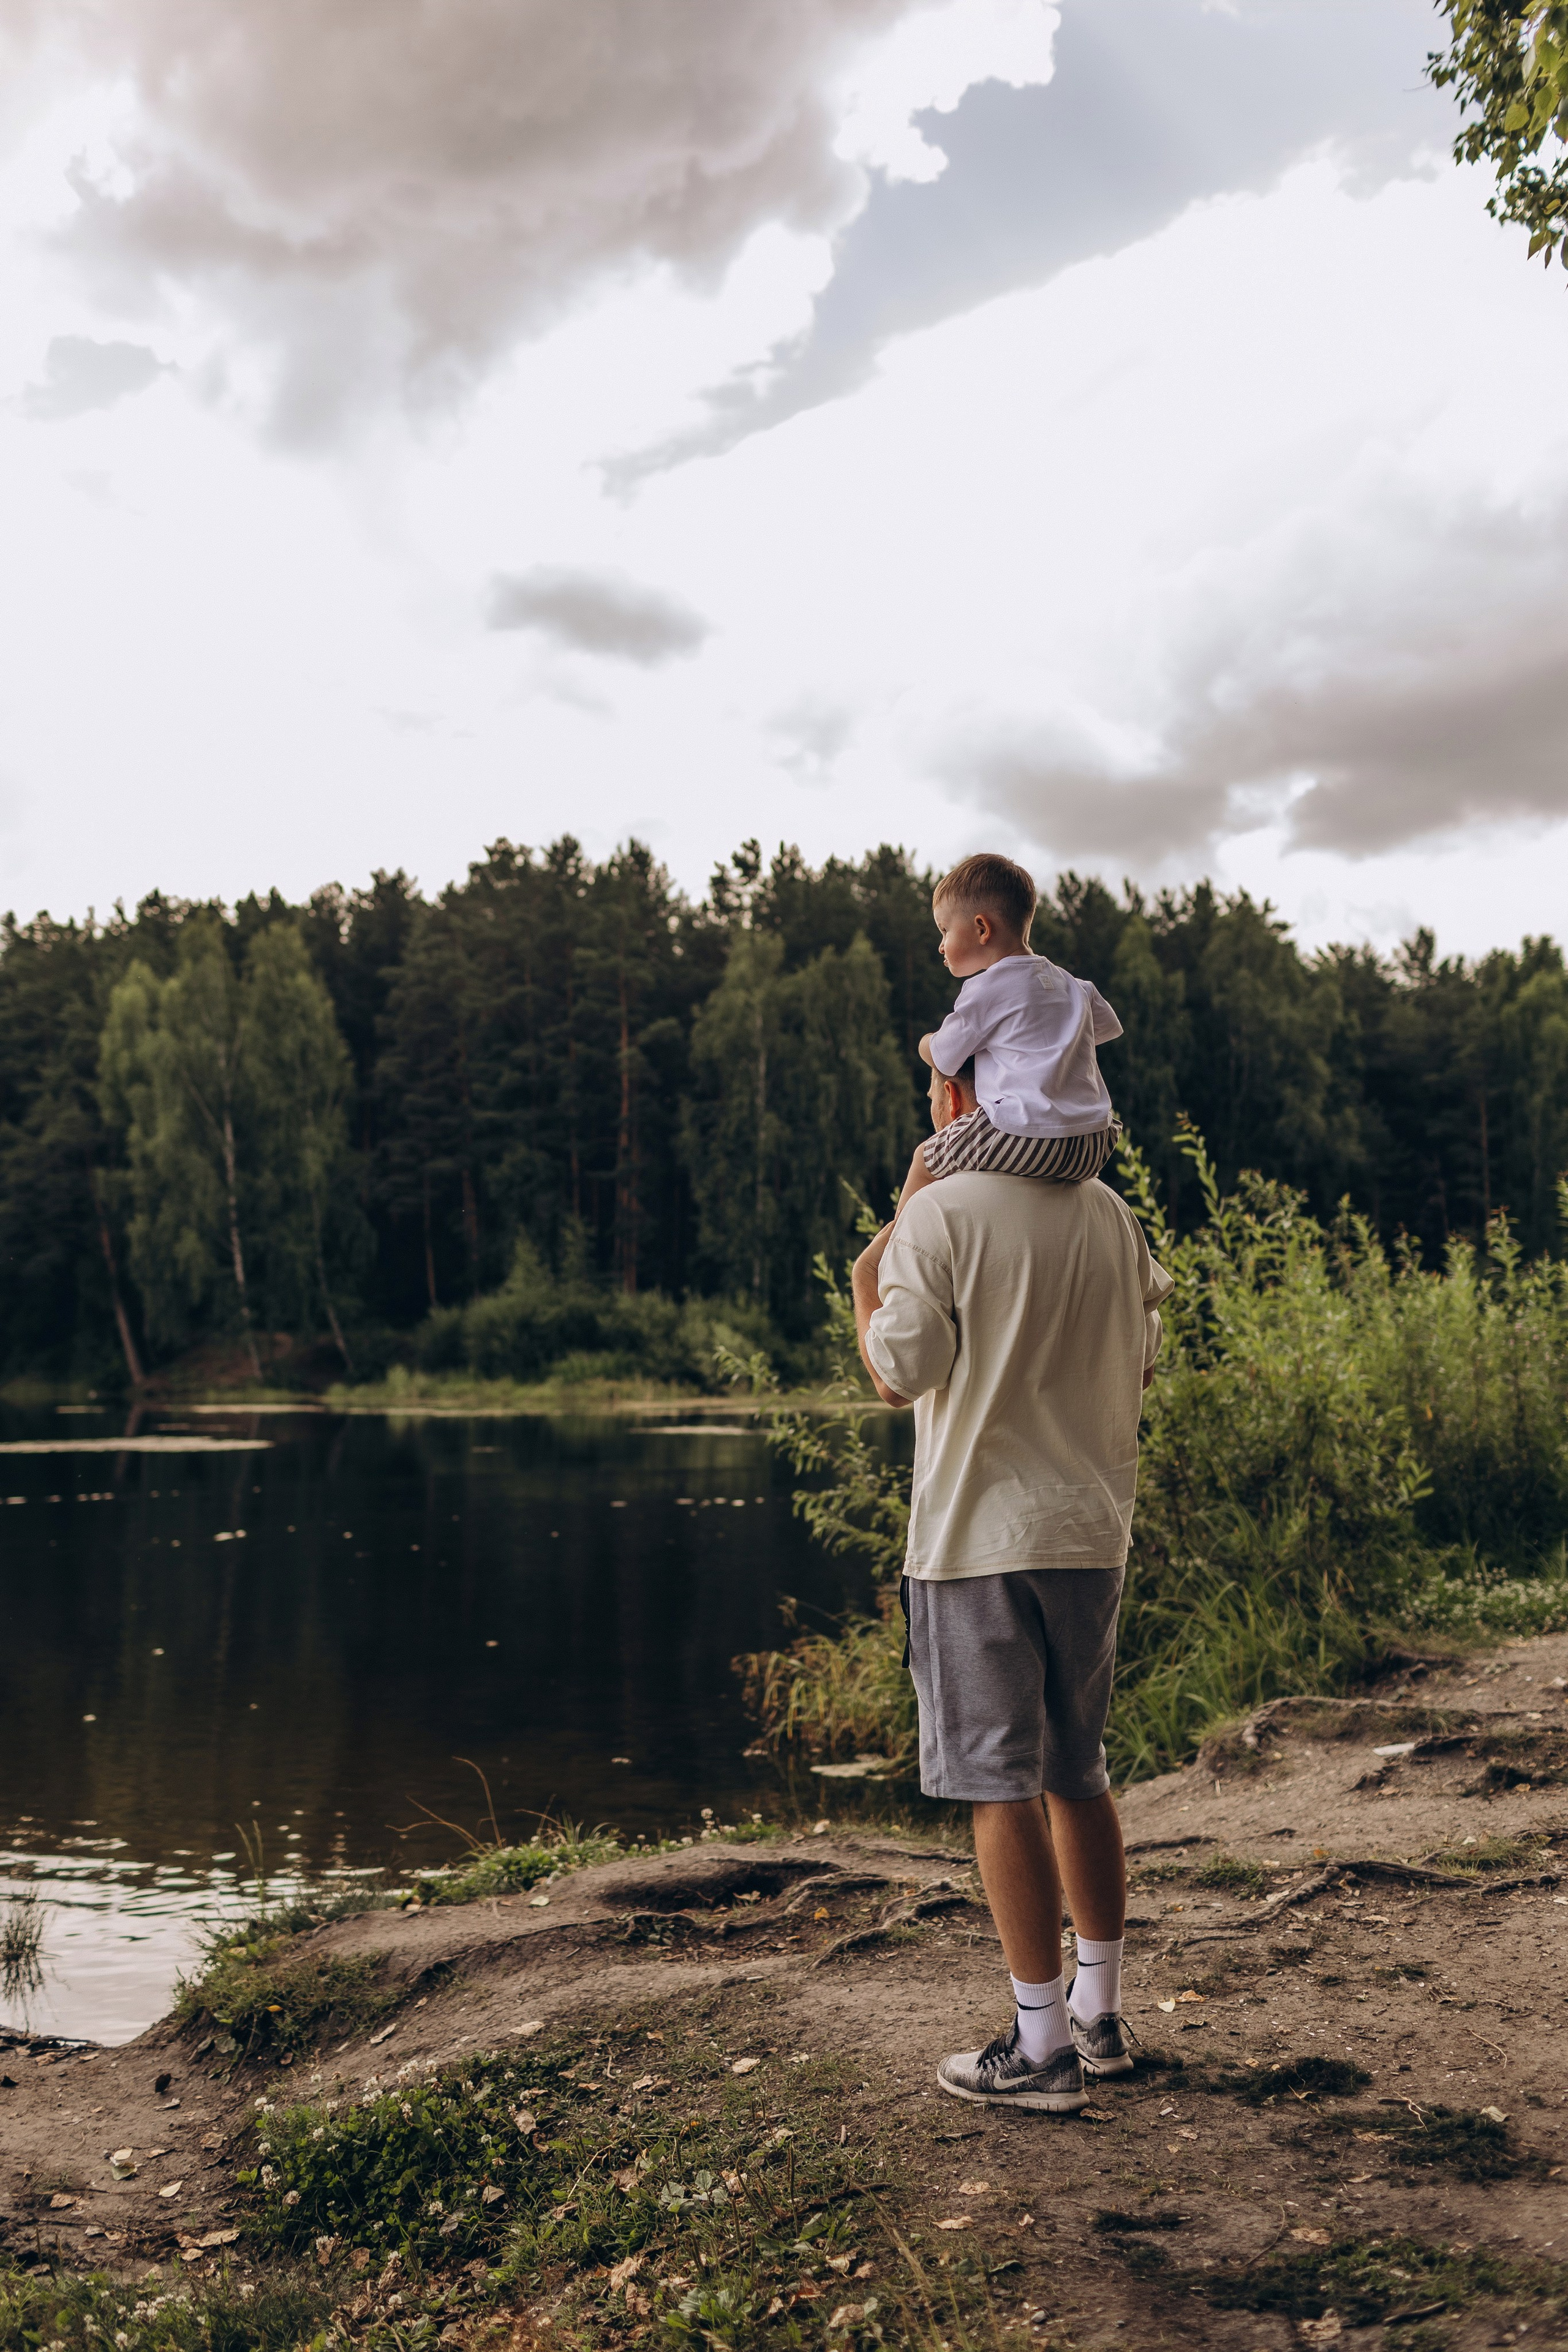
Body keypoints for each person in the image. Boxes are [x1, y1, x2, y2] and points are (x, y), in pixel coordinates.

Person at [852, 1052, 1172, 2113]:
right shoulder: (1111, 1215)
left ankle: (1039, 2055)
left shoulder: (942, 1219)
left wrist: (872, 1270)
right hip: (1090, 1534)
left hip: (977, 1541)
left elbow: (899, 1373)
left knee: (997, 1786)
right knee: (1078, 1773)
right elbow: (1140, 1363)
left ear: (959, 1097)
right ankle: (1101, 2019)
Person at [895, 851, 1121, 1219]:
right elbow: (1105, 1028)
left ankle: (896, 1249)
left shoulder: (986, 988)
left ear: (982, 929)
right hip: (1094, 1142)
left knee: (925, 1158)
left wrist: (925, 1041)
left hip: (1028, 1135)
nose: (940, 946)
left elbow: (945, 1057)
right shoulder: (1074, 985)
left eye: (944, 931)